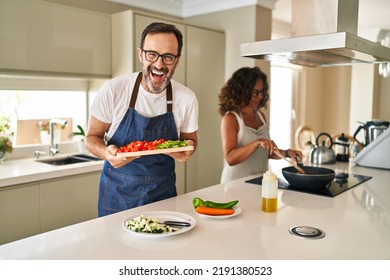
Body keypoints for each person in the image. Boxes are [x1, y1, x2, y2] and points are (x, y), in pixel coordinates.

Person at [85, 22, 198, 217]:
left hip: (163, 198)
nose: (159, 64)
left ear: (177, 60)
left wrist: (186, 149)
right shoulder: (114, 90)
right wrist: (107, 153)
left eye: (168, 57)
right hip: (117, 198)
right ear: (140, 54)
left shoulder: (186, 98)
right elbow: (91, 137)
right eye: (152, 54)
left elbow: (191, 141)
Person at [218, 66, 302, 183]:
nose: (260, 96)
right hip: (235, 185)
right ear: (241, 91)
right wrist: (256, 143)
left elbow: (266, 152)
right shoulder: (231, 118)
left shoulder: (261, 116)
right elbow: (230, 158)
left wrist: (288, 153)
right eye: (255, 92)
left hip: (259, 182)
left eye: (262, 92)